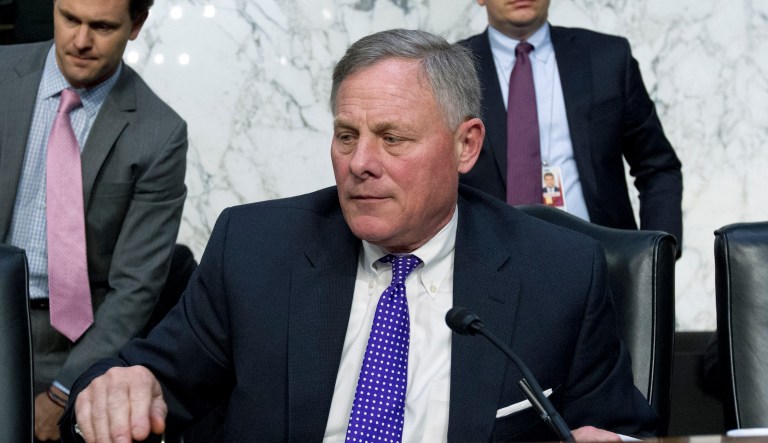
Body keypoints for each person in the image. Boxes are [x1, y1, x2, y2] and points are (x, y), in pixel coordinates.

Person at [60, 29, 656, 443]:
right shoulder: (257, 248)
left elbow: (624, 428)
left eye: (393, 138)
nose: (360, 162)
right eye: (347, 135)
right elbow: (139, 380)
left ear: (465, 145)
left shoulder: (556, 271)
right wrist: (116, 391)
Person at [0, 0, 188, 440]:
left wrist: (64, 392)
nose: (81, 41)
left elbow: (136, 287)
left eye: (102, 27)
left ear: (136, 24)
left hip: (70, 350)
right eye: (70, 19)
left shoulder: (160, 134)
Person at [459, 0, 684, 256]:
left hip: (604, 263)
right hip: (492, 267)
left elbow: (658, 167)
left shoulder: (607, 58)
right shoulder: (450, 71)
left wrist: (658, 254)